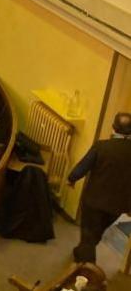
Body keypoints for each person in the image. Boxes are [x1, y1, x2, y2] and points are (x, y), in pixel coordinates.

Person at [68, 112, 131, 263]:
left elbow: (84, 166)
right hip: (117, 206)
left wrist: (72, 178)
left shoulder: (102, 146)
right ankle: (80, 252)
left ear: (113, 127)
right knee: (95, 234)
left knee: (89, 234)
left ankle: (88, 274)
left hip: (94, 201)